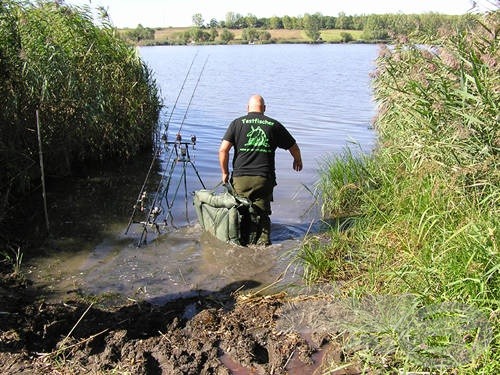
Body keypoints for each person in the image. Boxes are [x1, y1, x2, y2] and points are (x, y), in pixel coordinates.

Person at [218, 94, 303, 246]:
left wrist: (224, 172)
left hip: (240, 178)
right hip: (263, 178)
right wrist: (297, 160)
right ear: (264, 108)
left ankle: (240, 243)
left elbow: (223, 150)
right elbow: (294, 147)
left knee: (240, 212)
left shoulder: (236, 123)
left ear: (247, 108)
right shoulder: (273, 125)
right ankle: (263, 245)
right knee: (262, 215)